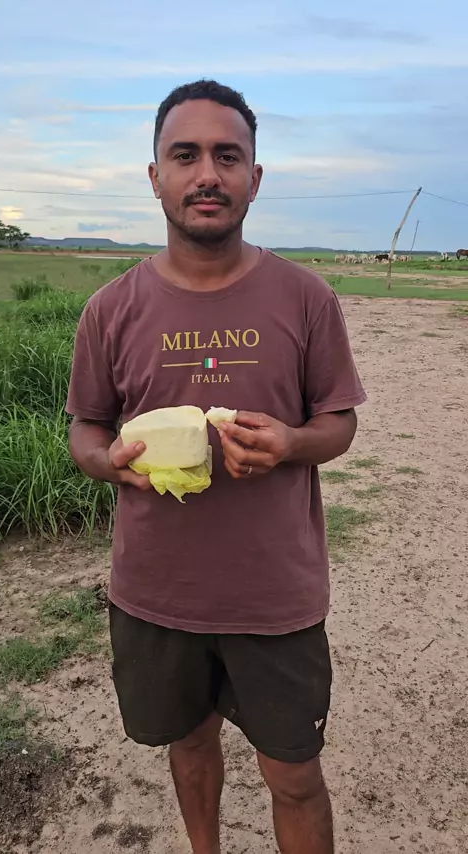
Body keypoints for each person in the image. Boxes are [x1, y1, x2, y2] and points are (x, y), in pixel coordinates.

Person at [66, 79, 367, 854]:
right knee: (190, 746)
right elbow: (86, 427)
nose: (208, 174)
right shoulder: (111, 308)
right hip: (157, 594)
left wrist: (291, 444)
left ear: (254, 178)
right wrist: (108, 462)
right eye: (186, 155)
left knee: (293, 775)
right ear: (155, 176)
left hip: (275, 596)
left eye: (228, 156)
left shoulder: (306, 297)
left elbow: (339, 422)